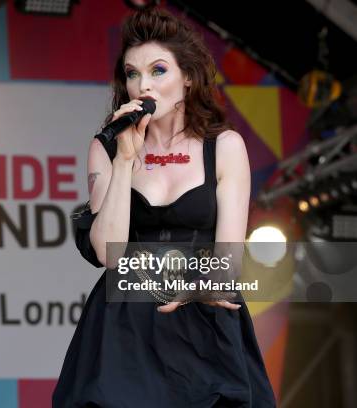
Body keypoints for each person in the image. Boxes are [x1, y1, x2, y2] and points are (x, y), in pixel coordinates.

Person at [52, 6, 277, 408]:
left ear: (187, 78)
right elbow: (108, 253)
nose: (143, 85)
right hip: (128, 325)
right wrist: (124, 159)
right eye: (132, 73)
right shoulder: (106, 147)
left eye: (158, 70)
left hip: (203, 319)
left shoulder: (224, 147)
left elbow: (229, 261)